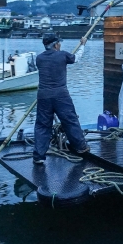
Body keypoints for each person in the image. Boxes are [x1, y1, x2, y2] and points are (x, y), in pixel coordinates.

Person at [32, 33, 89, 165]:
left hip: (43, 95)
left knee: (42, 125)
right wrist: (83, 45)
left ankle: (38, 156)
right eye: (59, 43)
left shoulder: (39, 58)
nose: (60, 45)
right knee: (70, 121)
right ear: (56, 45)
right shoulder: (63, 55)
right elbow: (76, 58)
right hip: (60, 95)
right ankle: (81, 147)